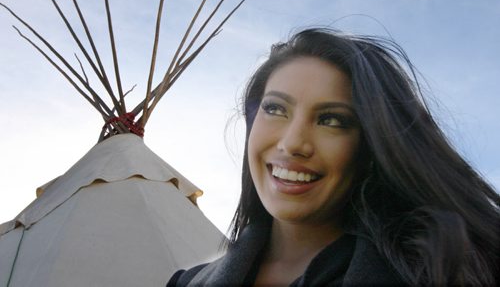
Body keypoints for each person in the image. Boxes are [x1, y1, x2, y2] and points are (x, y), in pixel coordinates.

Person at [168, 28, 499, 286]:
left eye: (332, 120)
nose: (293, 143)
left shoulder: (438, 275)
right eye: (275, 109)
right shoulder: (186, 283)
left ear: (370, 148)